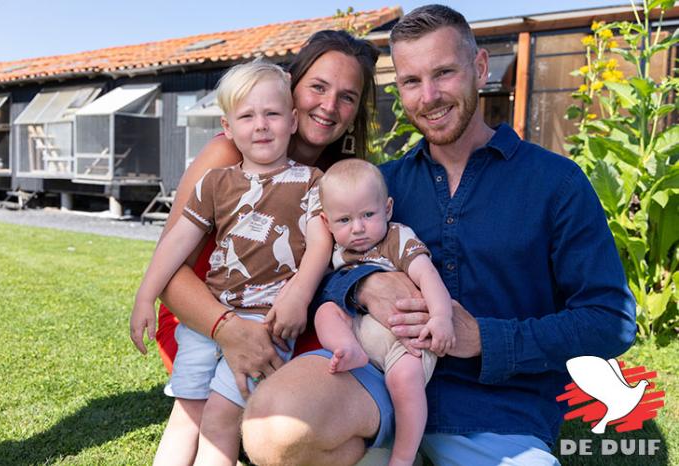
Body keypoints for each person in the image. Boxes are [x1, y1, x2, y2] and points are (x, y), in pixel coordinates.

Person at [241, 5, 637, 466]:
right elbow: (319, 272)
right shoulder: (380, 185)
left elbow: (610, 320)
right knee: (273, 428)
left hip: (494, 410)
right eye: (411, 82)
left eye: (444, 73)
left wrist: (485, 339)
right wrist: (362, 286)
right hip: (376, 378)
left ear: (480, 68)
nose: (428, 96)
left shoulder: (556, 183)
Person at [129, 30, 380, 464]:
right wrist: (227, 329)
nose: (329, 105)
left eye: (347, 96)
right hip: (203, 310)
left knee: (310, 412)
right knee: (207, 415)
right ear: (292, 84)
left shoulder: (330, 178)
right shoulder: (225, 159)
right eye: (318, 87)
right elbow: (171, 263)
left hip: (278, 314)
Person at [314, 158, 454, 466]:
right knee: (325, 311)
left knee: (405, 381)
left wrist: (442, 317)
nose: (359, 228)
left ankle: (403, 456)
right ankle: (347, 349)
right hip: (360, 336)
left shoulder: (397, 238)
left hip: (403, 340)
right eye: (344, 220)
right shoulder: (336, 252)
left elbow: (427, 276)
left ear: (387, 209)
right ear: (326, 223)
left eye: (368, 214)